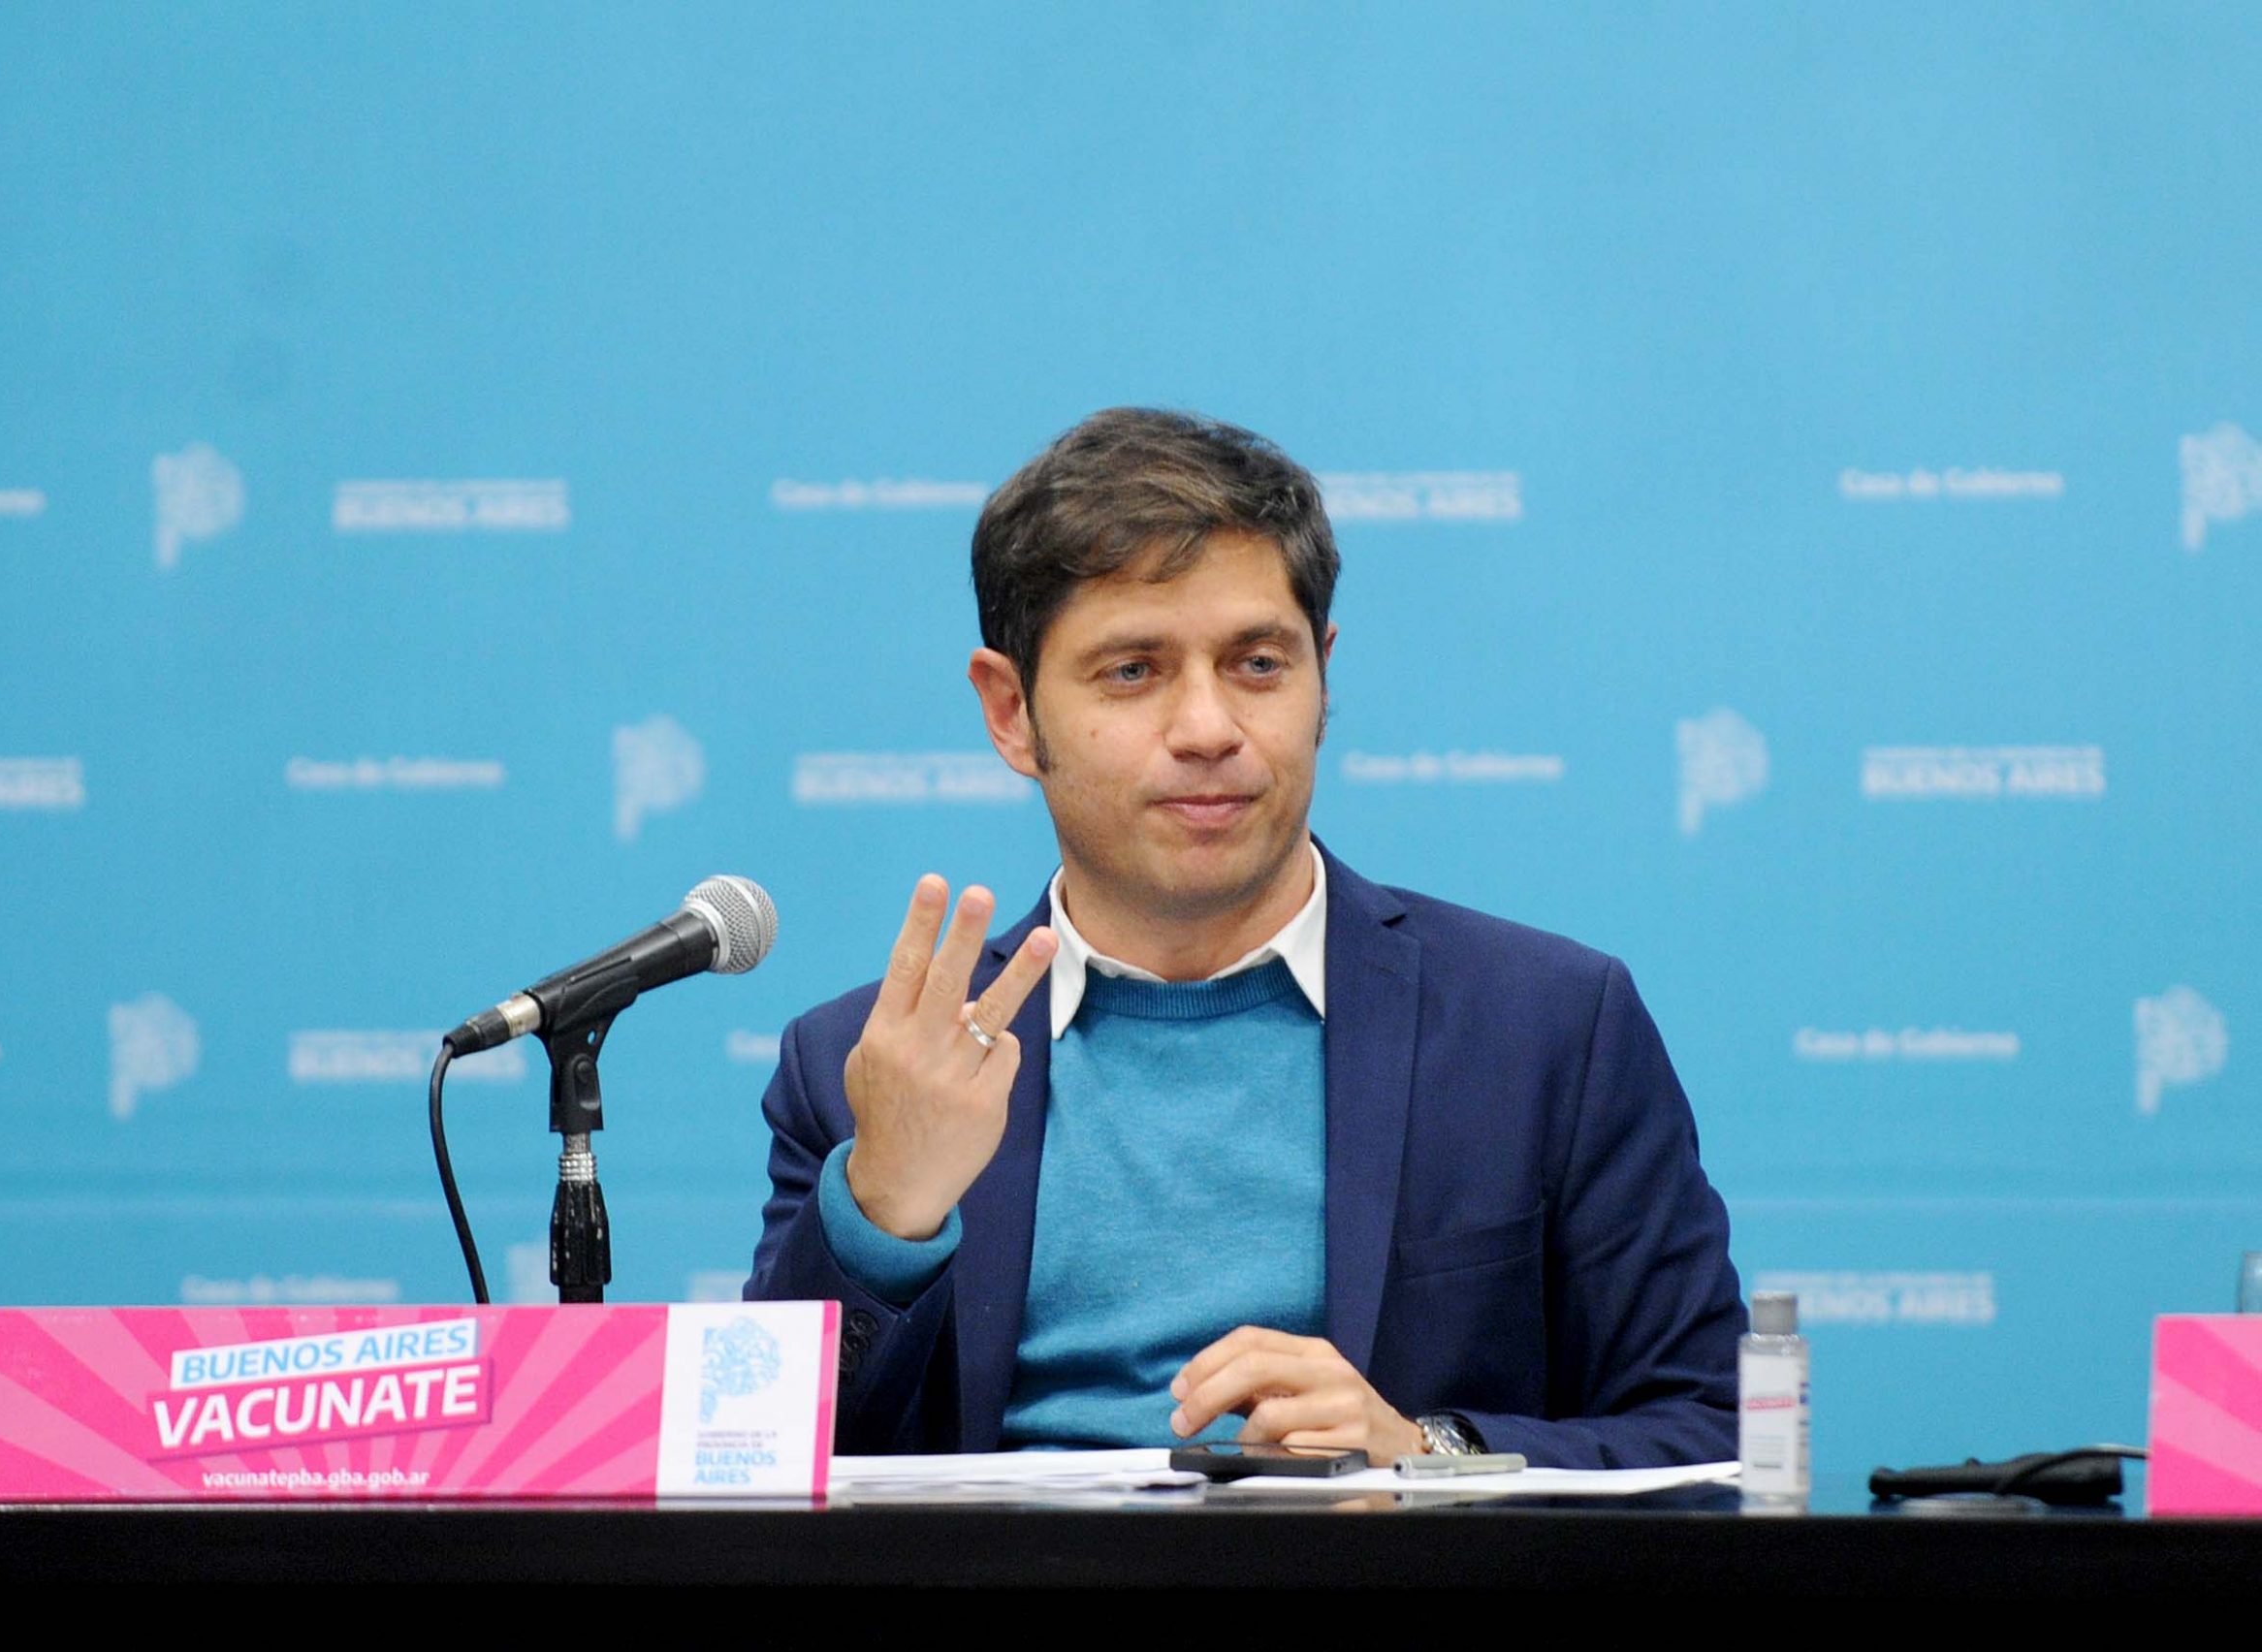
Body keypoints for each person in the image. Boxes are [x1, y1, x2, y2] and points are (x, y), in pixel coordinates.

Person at [746, 408, 1745, 1467]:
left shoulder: (1546, 1029)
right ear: (1011, 712)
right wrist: (883, 1212)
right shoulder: (868, 1066)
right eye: (1132, 671)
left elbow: (1712, 1434)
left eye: (1258, 664)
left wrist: (1426, 1455)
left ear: (1322, 678)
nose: (1208, 729)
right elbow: (757, 1466)